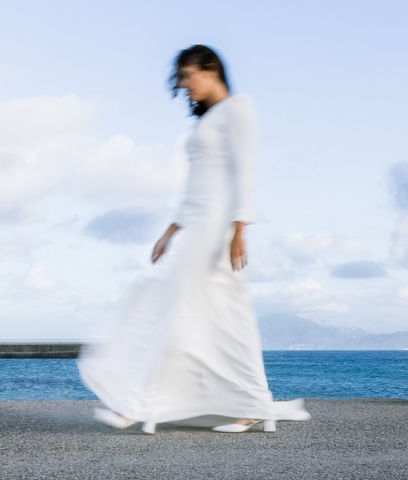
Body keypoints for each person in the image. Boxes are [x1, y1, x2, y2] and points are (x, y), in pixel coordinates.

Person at [77, 44, 310, 434]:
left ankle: (141, 406)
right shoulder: (207, 121)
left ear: (211, 70)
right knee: (209, 317)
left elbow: (245, 172)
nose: (184, 86)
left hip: (219, 229)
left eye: (188, 76)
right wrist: (171, 230)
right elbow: (196, 186)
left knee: (195, 311)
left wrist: (240, 230)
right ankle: (239, 404)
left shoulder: (239, 110)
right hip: (199, 226)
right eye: (181, 79)